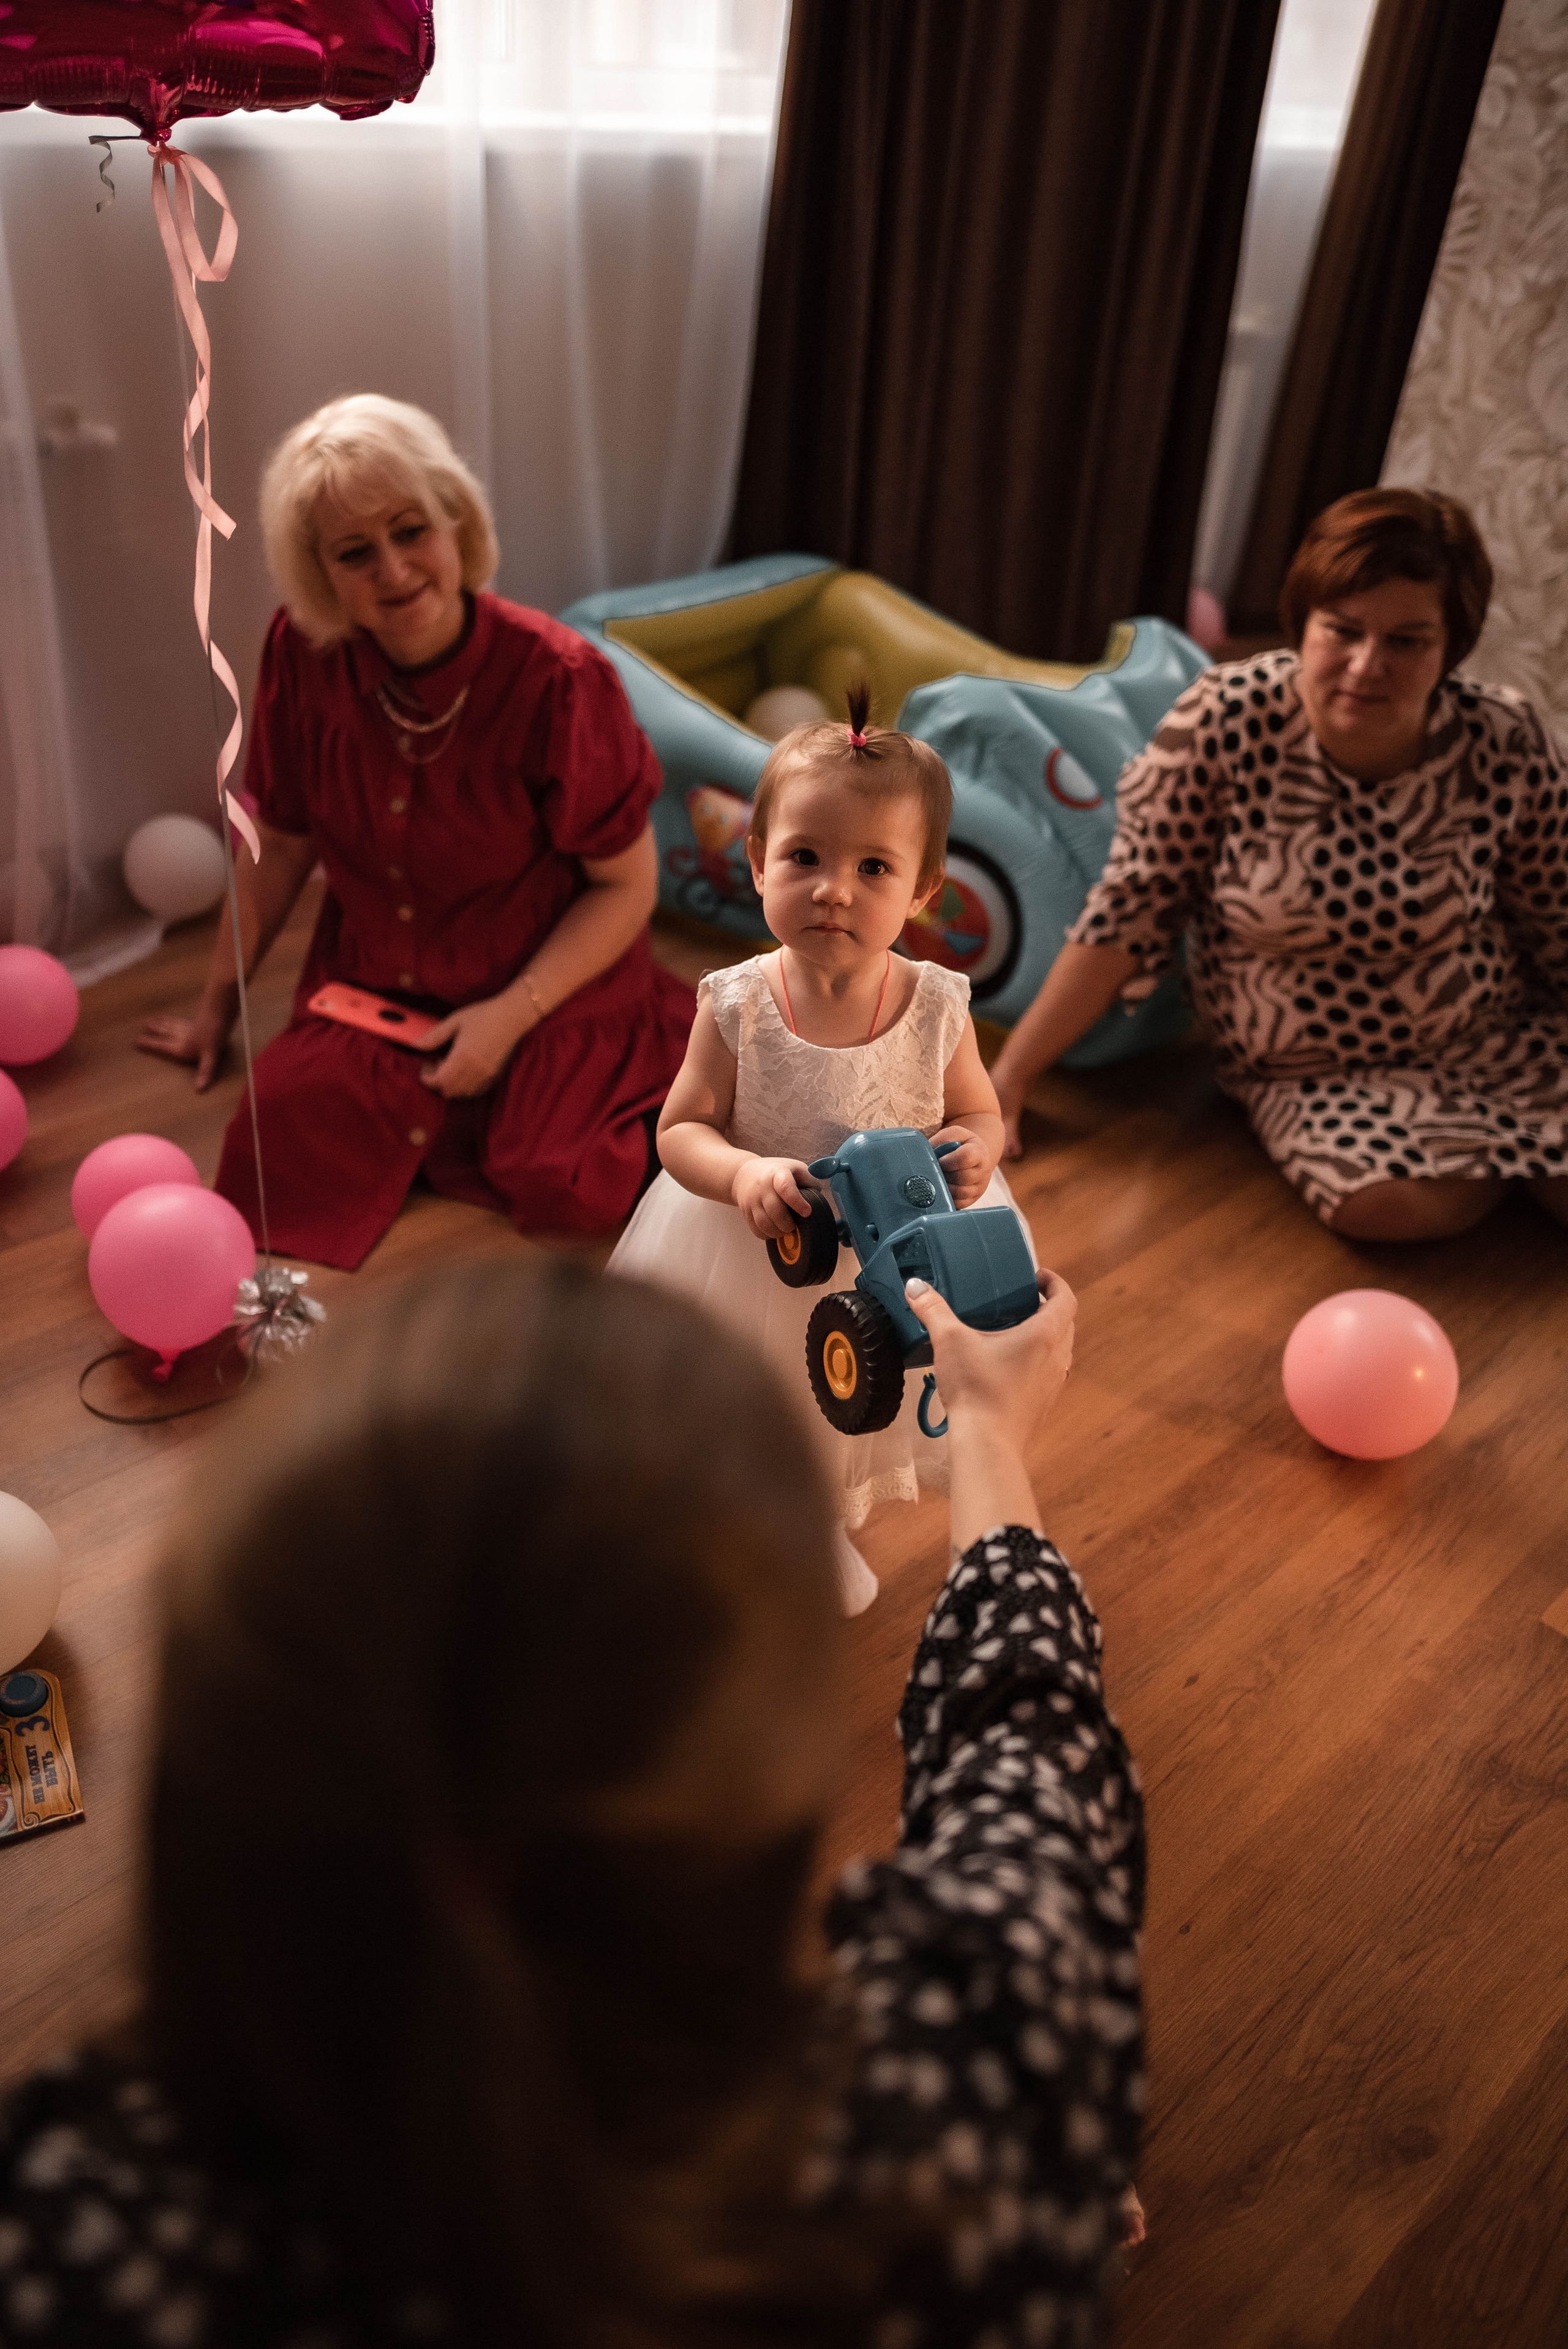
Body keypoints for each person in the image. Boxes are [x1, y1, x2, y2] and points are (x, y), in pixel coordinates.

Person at [0, 1257, 1145, 2349]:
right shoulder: (974, 2139)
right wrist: (989, 1431)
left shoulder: (55, 2237)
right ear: (766, 1782)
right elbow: (1028, 1744)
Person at [137, 394, 692, 1269]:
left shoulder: (560, 677)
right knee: (272, 1136)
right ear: (320, 573)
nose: (394, 571)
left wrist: (509, 1018)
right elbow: (280, 842)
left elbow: (628, 886)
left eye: (411, 531)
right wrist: (216, 1009)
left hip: (545, 975)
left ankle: (665, 1074)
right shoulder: (300, 648)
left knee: (566, 1184)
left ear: (455, 520)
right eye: (355, 552)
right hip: (379, 980)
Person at [988, 488, 1568, 1242]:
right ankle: (1511, 1167)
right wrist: (1008, 1082)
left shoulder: (1501, 736)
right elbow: (1127, 913)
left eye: (1406, 641)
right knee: (1386, 1211)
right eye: (1343, 631)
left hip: (1487, 1033)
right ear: (1305, 622)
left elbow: (1556, 912)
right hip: (1310, 1066)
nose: (1367, 666)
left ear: (1450, 645)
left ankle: (1508, 1158)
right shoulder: (1227, 719)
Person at [608, 688, 1033, 1614]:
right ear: (757, 863)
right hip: (753, 1238)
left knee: (847, 1403)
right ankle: (729, 1522)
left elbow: (982, 1113)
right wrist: (743, 1170)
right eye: (804, 856)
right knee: (746, 1395)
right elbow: (679, 1129)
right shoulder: (739, 1003)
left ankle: (815, 1528)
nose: (833, 886)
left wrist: (971, 1147)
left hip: (895, 1239)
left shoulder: (936, 1005)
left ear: (923, 891)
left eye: (873, 866)